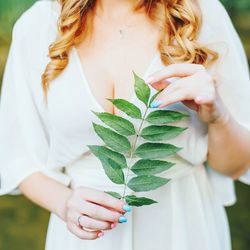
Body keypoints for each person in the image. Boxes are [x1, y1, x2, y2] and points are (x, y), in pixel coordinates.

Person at [0, 0, 250, 249]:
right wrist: (65, 203)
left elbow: (234, 166)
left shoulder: (199, 13)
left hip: (182, 225)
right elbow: (19, 158)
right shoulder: (39, 24)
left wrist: (218, 115)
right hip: (84, 235)